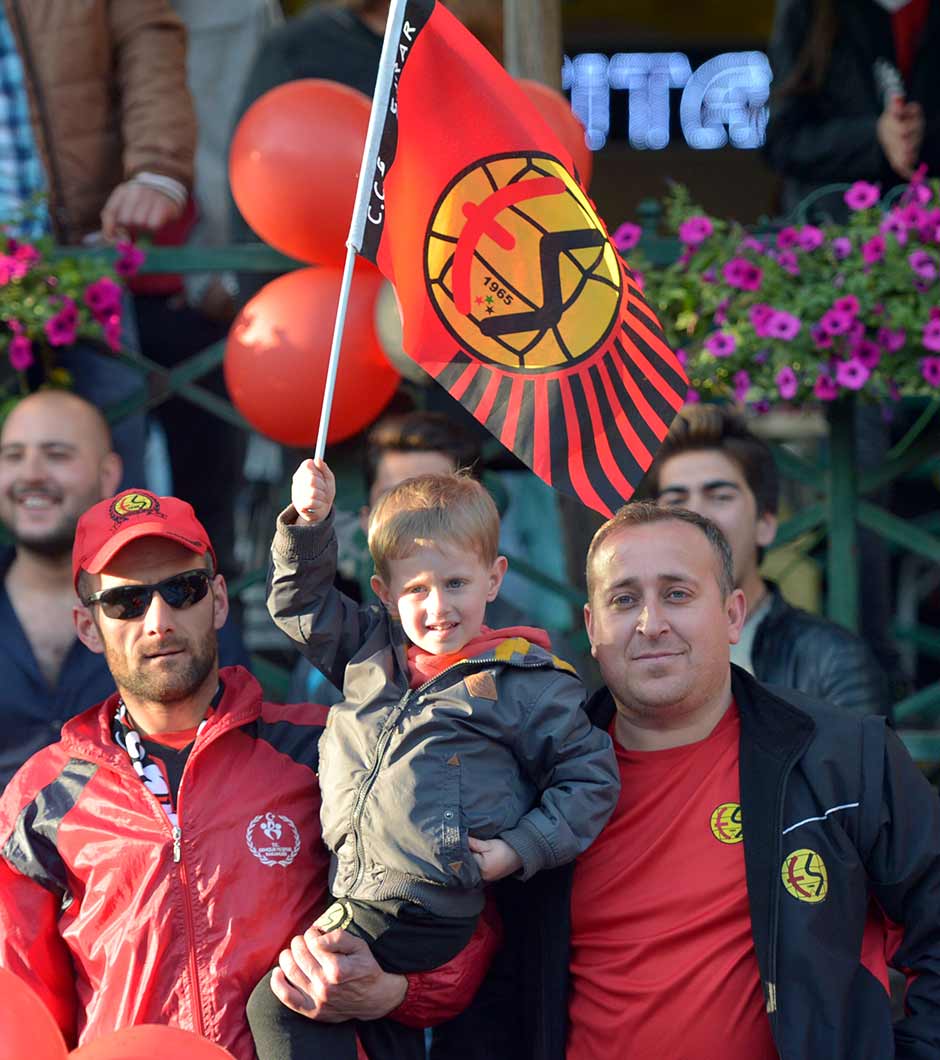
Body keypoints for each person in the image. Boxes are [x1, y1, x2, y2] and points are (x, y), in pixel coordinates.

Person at [0, 486, 498, 1056]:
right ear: (88, 626)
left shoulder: (329, 747)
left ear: (217, 600)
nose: (158, 620)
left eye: (181, 590)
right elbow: (20, 1007)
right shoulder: (43, 796)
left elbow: (457, 922)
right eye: (126, 603)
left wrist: (394, 992)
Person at [436, 501, 940, 1059]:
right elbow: (482, 985)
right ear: (592, 627)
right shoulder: (528, 780)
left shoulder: (841, 757)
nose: (652, 623)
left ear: (732, 614)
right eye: (624, 600)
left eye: (677, 594)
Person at [253, 460, 618, 1059]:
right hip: (359, 891)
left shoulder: (523, 679)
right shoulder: (372, 652)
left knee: (282, 1002)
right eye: (416, 589)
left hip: (425, 902)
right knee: (362, 1026)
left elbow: (590, 778)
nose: (437, 607)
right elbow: (301, 603)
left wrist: (521, 847)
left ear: (494, 578)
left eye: (456, 584)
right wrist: (308, 524)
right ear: (384, 594)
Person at [0, 390, 246, 792]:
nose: (31, 474)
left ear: (109, 473)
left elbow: (234, 750)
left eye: (57, 454)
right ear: (86, 624)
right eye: (12, 455)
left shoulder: (186, 607)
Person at [0, 0, 197, 489]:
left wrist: (156, 170)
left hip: (80, 256)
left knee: (112, 472)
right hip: (68, 260)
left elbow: (148, 36)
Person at [643, 403, 890, 716]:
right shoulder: (634, 655)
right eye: (676, 500)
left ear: (765, 524)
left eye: (720, 496)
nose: (696, 516)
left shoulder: (833, 662)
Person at [764, 0, 940, 215]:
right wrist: (875, 137)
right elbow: (781, 140)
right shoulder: (810, 8)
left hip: (927, 223)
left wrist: (921, 134)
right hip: (831, 228)